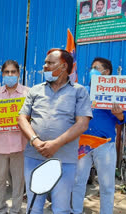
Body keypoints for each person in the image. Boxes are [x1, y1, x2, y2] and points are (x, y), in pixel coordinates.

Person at [18, 48, 92, 213]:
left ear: (64, 66)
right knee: (34, 206)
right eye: (45, 62)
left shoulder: (79, 91)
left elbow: (82, 124)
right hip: (33, 157)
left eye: (50, 63)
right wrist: (35, 141)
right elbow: (22, 118)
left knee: (61, 208)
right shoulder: (35, 90)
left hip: (64, 160)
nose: (45, 66)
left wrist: (56, 144)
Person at [71, 57, 126, 214]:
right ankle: (75, 211)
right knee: (77, 182)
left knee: (107, 186)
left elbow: (125, 118)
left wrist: (120, 114)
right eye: (91, 68)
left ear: (106, 72)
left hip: (105, 144)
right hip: (82, 142)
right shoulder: (82, 91)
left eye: (96, 68)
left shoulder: (117, 92)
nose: (92, 71)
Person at [0, 60, 29, 214]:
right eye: (7, 72)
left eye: (13, 72)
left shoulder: (27, 93)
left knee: (18, 182)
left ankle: (15, 210)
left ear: (18, 74)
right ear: (2, 74)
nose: (10, 75)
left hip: (20, 145)